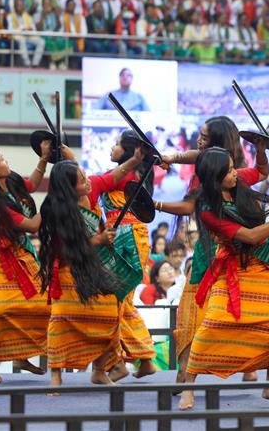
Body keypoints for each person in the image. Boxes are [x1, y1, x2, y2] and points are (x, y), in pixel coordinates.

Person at [155, 143, 269, 410]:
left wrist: (261, 147)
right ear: (214, 177)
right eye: (229, 170)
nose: (236, 173)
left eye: (234, 167)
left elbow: (260, 170)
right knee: (213, 322)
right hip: (232, 266)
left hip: (265, 262)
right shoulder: (207, 210)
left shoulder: (239, 183)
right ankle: (189, 387)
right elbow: (249, 236)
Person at [160, 116, 250, 385]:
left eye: (204, 138)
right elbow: (197, 156)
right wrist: (173, 157)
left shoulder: (225, 173)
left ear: (217, 144)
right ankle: (244, 369)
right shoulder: (228, 169)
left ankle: (187, 371)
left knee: (194, 310)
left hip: (220, 250)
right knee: (224, 310)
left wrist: (155, 204)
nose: (198, 142)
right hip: (228, 250)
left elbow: (189, 208)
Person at [37, 159, 129, 389]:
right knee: (61, 320)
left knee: (110, 313)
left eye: (86, 177)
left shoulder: (91, 195)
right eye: (82, 180)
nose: (88, 182)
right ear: (69, 187)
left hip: (92, 268)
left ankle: (99, 370)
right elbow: (64, 249)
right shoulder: (55, 210)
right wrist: (98, 239)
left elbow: (112, 177)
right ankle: (56, 376)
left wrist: (104, 237)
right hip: (68, 271)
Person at [0, 144, 53, 383]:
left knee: (42, 305)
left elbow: (32, 185)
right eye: (2, 159)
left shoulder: (12, 182)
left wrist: (45, 158)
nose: (7, 161)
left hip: (20, 253)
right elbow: (33, 226)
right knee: (0, 310)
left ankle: (20, 355)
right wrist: (55, 201)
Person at [100, 131, 158, 381]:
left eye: (116, 144)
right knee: (118, 302)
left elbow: (96, 182)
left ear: (129, 152)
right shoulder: (130, 173)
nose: (111, 148)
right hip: (122, 236)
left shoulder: (128, 175)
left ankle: (128, 361)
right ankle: (138, 360)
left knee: (118, 302)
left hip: (129, 237)